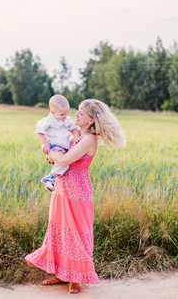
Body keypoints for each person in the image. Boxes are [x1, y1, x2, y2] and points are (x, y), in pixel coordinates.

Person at [25, 99, 126, 294]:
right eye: (77, 111)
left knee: (76, 233)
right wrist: (47, 149)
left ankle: (76, 278)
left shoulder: (89, 139)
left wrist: (52, 153)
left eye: (81, 112)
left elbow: (63, 159)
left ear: (90, 121)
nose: (76, 114)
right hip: (62, 188)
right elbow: (56, 155)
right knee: (61, 231)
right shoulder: (75, 137)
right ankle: (62, 274)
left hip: (77, 192)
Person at [35, 95, 80, 192]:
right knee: (64, 164)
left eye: (67, 113)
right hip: (55, 145)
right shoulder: (48, 121)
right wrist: (45, 143)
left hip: (64, 146)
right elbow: (39, 132)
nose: (65, 116)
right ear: (52, 112)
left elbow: (74, 128)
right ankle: (50, 177)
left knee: (62, 164)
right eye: (62, 114)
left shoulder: (66, 119)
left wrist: (76, 136)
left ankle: (52, 181)